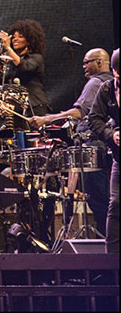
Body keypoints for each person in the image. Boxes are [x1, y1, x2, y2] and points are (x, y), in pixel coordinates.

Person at [28, 48, 112, 232]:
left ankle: (108, 242)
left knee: (99, 201)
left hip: (92, 146)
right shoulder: (111, 82)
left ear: (99, 62)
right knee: (106, 199)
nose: (84, 66)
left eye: (87, 62)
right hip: (105, 147)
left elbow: (80, 112)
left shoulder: (95, 82)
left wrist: (46, 119)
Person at [87, 48, 119, 254]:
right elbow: (93, 119)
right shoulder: (107, 89)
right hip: (119, 158)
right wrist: (111, 134)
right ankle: (112, 261)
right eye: (117, 72)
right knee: (115, 204)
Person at [0, 19, 52, 117]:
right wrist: (0, 63)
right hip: (17, 109)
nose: (15, 39)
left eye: (20, 37)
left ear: (29, 41)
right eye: (13, 37)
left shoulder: (36, 58)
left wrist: (8, 48)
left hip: (34, 107)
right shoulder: (12, 61)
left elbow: (25, 67)